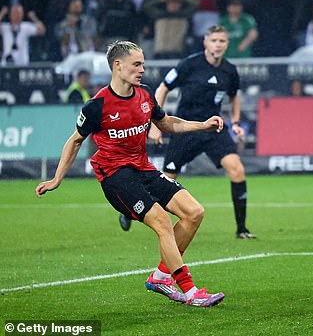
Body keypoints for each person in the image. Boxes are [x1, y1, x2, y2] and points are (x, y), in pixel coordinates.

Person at [35, 40, 225, 307]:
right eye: (137, 64)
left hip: (143, 168)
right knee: (161, 222)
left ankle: (160, 276)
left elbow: (167, 122)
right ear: (118, 65)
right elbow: (75, 140)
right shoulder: (97, 105)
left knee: (194, 212)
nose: (142, 69)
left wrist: (202, 126)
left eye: (143, 64)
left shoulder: (145, 94)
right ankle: (190, 291)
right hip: (115, 176)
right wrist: (57, 179)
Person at [123, 26, 256, 239]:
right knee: (165, 181)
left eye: (222, 41)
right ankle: (131, 209)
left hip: (213, 129)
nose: (218, 45)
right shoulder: (189, 65)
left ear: (227, 44)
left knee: (237, 169)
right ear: (205, 42)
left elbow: (234, 96)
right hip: (186, 129)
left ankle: (242, 229)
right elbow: (163, 88)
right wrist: (156, 124)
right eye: (214, 40)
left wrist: (236, 121)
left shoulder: (229, 70)